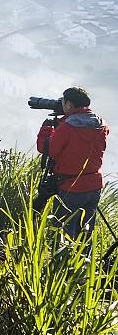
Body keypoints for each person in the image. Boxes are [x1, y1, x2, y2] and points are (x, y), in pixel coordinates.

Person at [36, 86, 108, 239]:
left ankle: (61, 262)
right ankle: (83, 261)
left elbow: (47, 148)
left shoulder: (68, 127)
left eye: (64, 102)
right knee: (85, 233)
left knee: (62, 232)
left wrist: (47, 128)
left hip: (71, 186)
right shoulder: (100, 123)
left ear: (69, 104)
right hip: (94, 185)